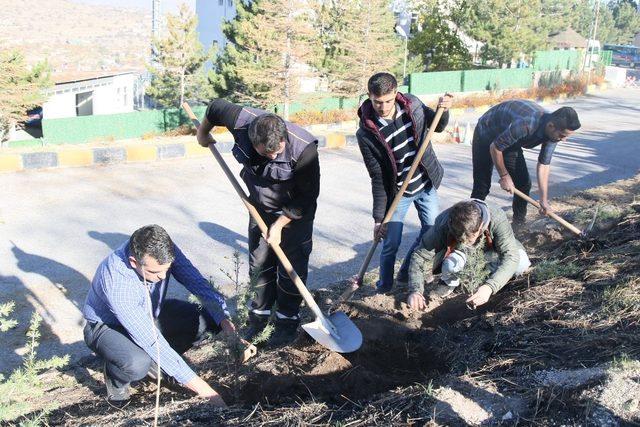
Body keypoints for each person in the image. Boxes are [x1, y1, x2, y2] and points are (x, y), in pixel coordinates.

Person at [196, 99, 320, 346]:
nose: (272, 156)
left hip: (295, 214)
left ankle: (286, 322)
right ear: (253, 142)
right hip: (260, 207)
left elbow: (307, 196)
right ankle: (259, 319)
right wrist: (202, 133)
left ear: (284, 138)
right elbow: (214, 108)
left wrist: (279, 224)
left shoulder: (304, 149)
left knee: (290, 268)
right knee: (260, 264)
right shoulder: (240, 120)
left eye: (276, 152)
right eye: (266, 153)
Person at [82, 224, 236, 406]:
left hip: (148, 316)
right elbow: (150, 340)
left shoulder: (163, 250)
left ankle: (160, 366)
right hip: (106, 328)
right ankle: (116, 379)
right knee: (137, 363)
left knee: (208, 319)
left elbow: (198, 284)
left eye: (167, 269)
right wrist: (205, 391)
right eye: (155, 272)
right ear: (134, 262)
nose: (163, 276)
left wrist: (229, 328)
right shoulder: (117, 282)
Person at [356, 72, 452, 293]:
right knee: (390, 244)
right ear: (369, 97)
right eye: (377, 102)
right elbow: (377, 177)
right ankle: (384, 288)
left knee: (431, 232)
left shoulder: (414, 105)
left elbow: (437, 125)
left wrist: (443, 111)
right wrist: (379, 218)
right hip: (399, 193)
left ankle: (405, 274)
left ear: (396, 93)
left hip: (426, 185)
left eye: (388, 101)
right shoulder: (366, 134)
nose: (383, 106)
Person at [470, 100, 581, 227]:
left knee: (523, 184)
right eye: (562, 135)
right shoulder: (527, 124)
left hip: (508, 139)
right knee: (482, 186)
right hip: (486, 132)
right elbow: (495, 147)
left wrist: (543, 200)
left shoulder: (553, 134)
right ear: (551, 126)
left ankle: (518, 224)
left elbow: (544, 165)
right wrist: (504, 176)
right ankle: (470, 224)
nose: (564, 140)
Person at [407, 199, 531, 311]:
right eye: (460, 238)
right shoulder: (443, 223)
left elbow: (511, 256)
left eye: (470, 238)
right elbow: (419, 255)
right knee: (451, 264)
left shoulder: (496, 217)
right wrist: (416, 290)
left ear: (481, 226)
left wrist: (489, 287)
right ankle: (449, 284)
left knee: (521, 263)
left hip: (492, 253)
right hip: (462, 256)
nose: (465, 241)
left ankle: (494, 278)